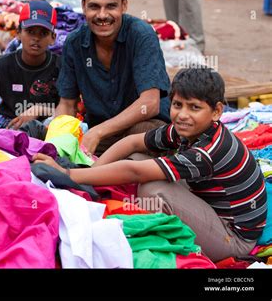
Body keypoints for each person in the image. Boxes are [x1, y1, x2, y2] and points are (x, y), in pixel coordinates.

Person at [34, 67, 267, 262]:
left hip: (234, 240)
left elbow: (135, 172)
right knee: (137, 160)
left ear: (216, 111)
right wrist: (89, 175)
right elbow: (133, 142)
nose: (183, 115)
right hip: (213, 209)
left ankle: (166, 236)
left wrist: (68, 174)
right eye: (178, 105)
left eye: (194, 107)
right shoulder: (187, 131)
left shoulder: (210, 150)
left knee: (152, 189)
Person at [55, 0, 171, 156]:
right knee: (52, 145)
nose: (102, 15)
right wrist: (59, 139)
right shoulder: (74, 43)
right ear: (83, 6)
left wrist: (98, 132)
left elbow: (150, 103)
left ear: (124, 5)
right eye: (94, 6)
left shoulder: (141, 34)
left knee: (140, 147)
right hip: (102, 131)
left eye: (111, 6)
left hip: (144, 126)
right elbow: (67, 104)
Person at [0, 0, 60, 130]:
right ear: (18, 33)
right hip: (7, 128)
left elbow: (72, 107)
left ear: (53, 38)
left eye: (43, 33)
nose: (36, 38)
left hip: (49, 132)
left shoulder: (61, 67)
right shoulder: (4, 66)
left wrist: (40, 110)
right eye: (30, 31)